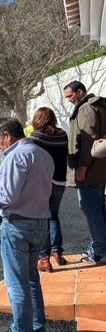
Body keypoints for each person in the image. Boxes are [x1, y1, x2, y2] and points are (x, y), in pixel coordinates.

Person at [0, 117, 53, 332]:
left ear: (7, 135)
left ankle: (21, 329)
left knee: (17, 285)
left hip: (17, 226)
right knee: (32, 280)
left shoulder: (14, 156)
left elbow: (7, 198)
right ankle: (37, 326)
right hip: (41, 224)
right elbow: (30, 187)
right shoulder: (43, 155)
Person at [63, 80, 106, 263]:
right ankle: (101, 247)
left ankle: (99, 251)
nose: (69, 100)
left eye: (70, 96)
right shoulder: (98, 106)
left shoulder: (86, 109)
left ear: (80, 92)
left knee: (91, 209)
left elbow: (88, 139)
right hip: (99, 169)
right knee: (98, 209)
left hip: (90, 171)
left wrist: (83, 166)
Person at [28, 107, 69, 272]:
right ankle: (57, 251)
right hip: (60, 181)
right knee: (53, 216)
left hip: (42, 182)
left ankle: (44, 258)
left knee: (42, 218)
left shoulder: (35, 137)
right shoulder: (62, 135)